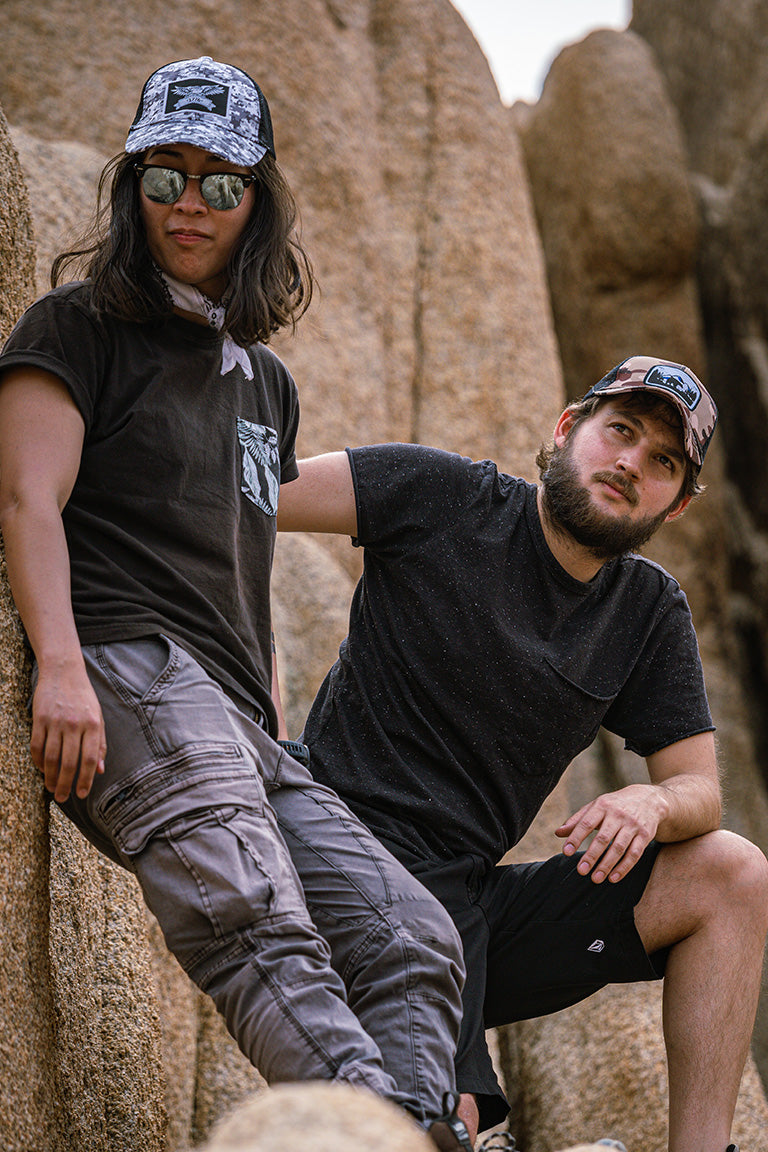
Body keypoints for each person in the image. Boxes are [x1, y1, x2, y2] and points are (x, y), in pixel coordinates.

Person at [0, 56, 476, 1149]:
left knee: (409, 929)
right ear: (131, 188)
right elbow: (29, 499)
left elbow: (242, 545)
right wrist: (62, 667)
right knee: (257, 922)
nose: (189, 205)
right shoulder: (74, 329)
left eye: (222, 183)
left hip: (237, 720)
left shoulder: (265, 382)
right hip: (128, 668)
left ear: (258, 203)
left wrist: (265, 706)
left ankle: (408, 1128)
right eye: (165, 174)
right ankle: (384, 1137)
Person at [277, 355, 768, 1152]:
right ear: (568, 428)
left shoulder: (645, 614)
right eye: (621, 432)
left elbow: (699, 793)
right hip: (337, 859)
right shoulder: (442, 496)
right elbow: (245, 496)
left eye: (663, 462)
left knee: (733, 874)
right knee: (440, 1122)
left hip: (464, 902)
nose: (630, 464)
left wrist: (653, 800)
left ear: (678, 504)